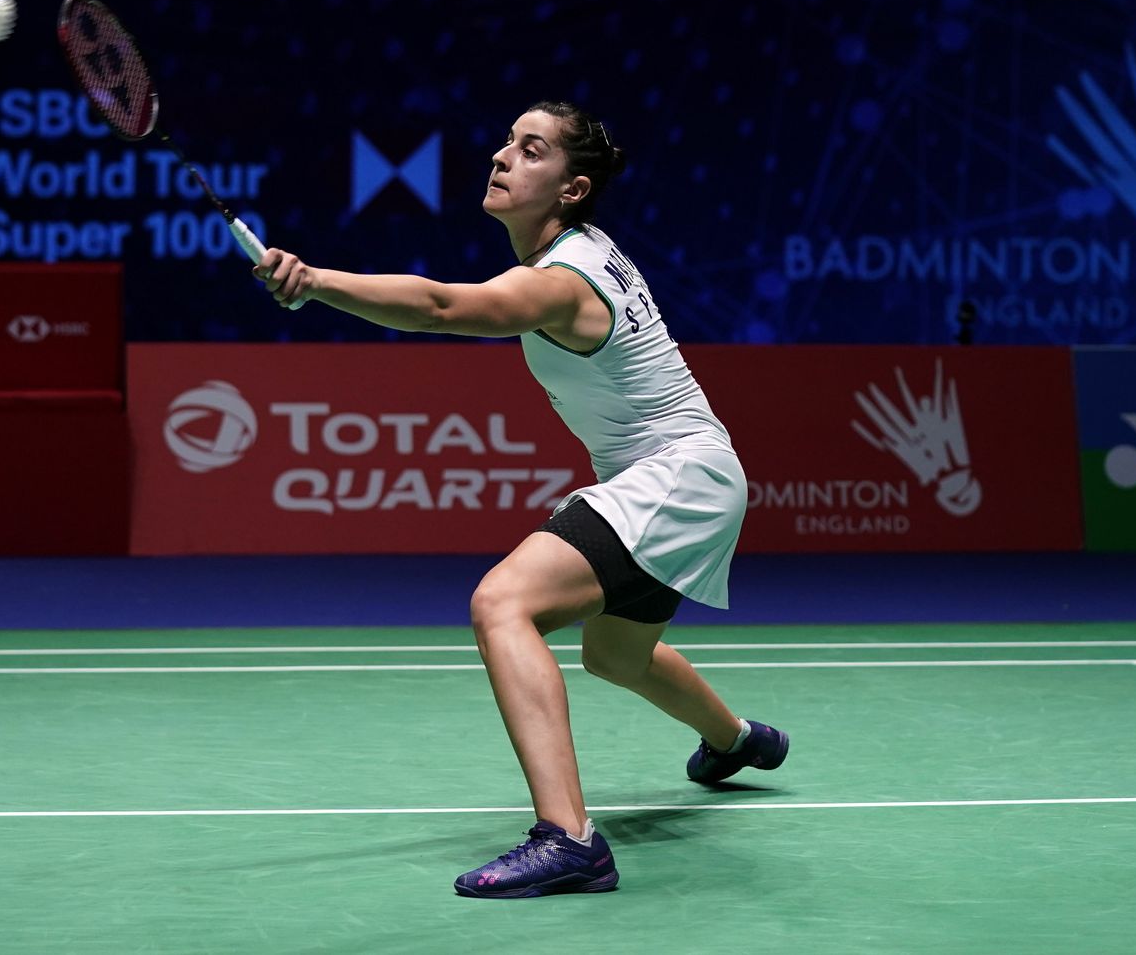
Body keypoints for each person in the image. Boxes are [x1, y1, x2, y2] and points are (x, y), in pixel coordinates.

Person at [253, 101, 789, 899]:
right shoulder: (582, 252)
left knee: (502, 603)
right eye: (506, 142)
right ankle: (736, 741)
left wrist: (316, 282)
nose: (501, 157)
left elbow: (440, 307)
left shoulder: (562, 283)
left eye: (528, 150)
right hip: (697, 476)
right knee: (614, 655)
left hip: (678, 472)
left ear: (571, 188)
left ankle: (569, 839)